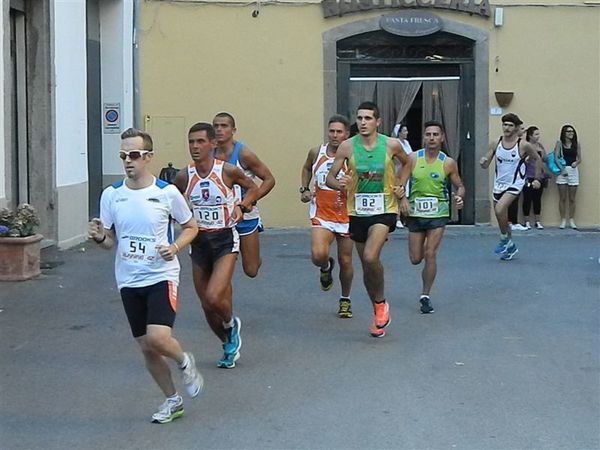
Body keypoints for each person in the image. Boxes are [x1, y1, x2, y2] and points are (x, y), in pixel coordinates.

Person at [88, 128, 203, 424]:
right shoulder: (112, 195)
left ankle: (183, 360)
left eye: (135, 155)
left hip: (161, 275)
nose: (129, 161)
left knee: (158, 338)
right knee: (146, 346)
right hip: (128, 278)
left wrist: (175, 247)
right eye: (124, 155)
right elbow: (111, 241)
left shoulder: (166, 193)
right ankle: (172, 400)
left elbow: (191, 227)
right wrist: (101, 237)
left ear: (148, 157)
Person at [174, 122, 259, 369]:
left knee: (213, 296)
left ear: (213, 144)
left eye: (200, 141)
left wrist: (242, 206)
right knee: (207, 307)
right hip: (199, 244)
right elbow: (169, 201)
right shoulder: (183, 176)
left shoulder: (228, 171)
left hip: (224, 241)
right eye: (191, 141)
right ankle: (228, 342)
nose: (195, 146)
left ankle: (231, 324)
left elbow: (252, 188)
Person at [326, 101, 410, 338]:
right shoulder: (346, 147)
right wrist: (339, 184)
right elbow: (330, 178)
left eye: (368, 118)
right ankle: (377, 312)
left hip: (384, 209)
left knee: (372, 256)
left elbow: (408, 162)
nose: (363, 122)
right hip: (357, 212)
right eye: (360, 118)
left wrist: (400, 185)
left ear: (378, 122)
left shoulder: (391, 144)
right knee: (366, 266)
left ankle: (382, 303)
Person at [398, 121, 465, 314]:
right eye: (428, 134)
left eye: (436, 134)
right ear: (424, 138)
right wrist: (402, 199)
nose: (432, 138)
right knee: (415, 258)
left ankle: (425, 295)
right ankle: (424, 290)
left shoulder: (448, 162)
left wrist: (460, 197)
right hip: (415, 213)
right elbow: (399, 182)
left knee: (430, 253)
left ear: (442, 138)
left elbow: (459, 185)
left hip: (438, 213)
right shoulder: (412, 158)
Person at [300, 114, 354, 318]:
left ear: (347, 134)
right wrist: (304, 189)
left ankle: (345, 300)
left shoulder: (353, 156)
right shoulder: (317, 152)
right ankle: (325, 267)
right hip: (322, 213)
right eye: (332, 131)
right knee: (318, 255)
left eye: (339, 132)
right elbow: (306, 168)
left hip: (347, 215)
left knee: (346, 260)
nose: (335, 135)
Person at [212, 112, 276, 277]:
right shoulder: (209, 153)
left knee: (251, 270)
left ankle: (252, 256)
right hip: (220, 219)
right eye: (216, 126)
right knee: (219, 269)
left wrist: (250, 201)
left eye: (224, 126)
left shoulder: (243, 154)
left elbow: (269, 179)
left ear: (233, 130)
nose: (219, 129)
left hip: (245, 216)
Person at [480, 113, 542, 261]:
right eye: (504, 125)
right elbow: (487, 161)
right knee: (503, 218)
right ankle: (510, 247)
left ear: (515, 128)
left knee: (500, 209)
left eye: (510, 125)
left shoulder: (523, 144)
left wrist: (537, 179)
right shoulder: (496, 142)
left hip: (515, 183)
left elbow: (537, 158)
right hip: (499, 184)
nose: (506, 128)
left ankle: (503, 239)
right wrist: (483, 161)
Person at [554, 124, 582, 229]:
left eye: (572, 131)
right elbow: (556, 158)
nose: (571, 133)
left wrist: (576, 162)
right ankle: (563, 220)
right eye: (568, 131)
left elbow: (579, 158)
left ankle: (571, 219)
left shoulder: (576, 144)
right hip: (562, 171)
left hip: (573, 170)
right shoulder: (559, 143)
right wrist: (562, 169)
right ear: (564, 133)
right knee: (562, 197)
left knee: (572, 198)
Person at [521, 126, 548, 230]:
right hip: (528, 175)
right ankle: (526, 221)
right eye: (536, 134)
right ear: (530, 136)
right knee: (527, 198)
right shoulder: (526, 146)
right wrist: (527, 158)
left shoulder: (539, 145)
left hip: (538, 176)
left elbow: (544, 159)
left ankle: (538, 221)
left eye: (538, 134)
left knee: (537, 199)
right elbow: (521, 160)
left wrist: (542, 152)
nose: (538, 136)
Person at [507, 124, 528, 231]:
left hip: (519, 176)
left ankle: (512, 221)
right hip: (513, 176)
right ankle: (511, 222)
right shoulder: (517, 143)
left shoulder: (522, 142)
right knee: (512, 199)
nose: (524, 131)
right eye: (522, 129)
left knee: (515, 199)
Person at [393, 123, 413, 229]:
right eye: (404, 131)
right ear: (399, 132)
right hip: (398, 171)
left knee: (406, 194)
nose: (406, 133)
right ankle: (397, 218)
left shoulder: (406, 142)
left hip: (407, 171)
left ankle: (405, 217)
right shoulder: (396, 143)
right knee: (398, 194)